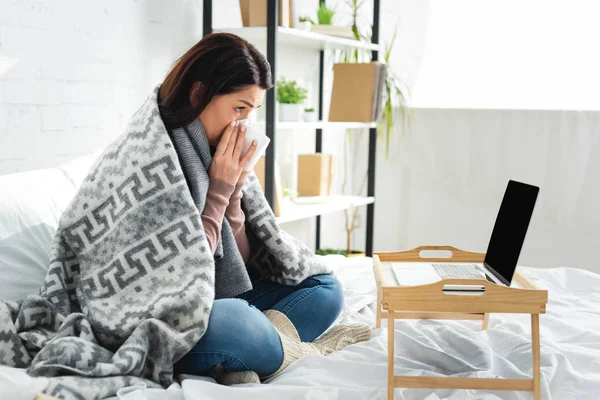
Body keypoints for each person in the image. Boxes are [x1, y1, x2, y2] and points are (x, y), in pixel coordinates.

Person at [157, 33, 371, 384]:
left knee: (325, 290)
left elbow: (238, 265)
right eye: (239, 108)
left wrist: (233, 196)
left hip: (220, 299)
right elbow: (184, 277)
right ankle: (290, 351)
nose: (243, 124)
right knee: (234, 322)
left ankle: (246, 357)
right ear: (198, 95)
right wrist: (218, 191)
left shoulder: (212, 148)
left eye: (252, 111)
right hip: (174, 317)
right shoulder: (156, 155)